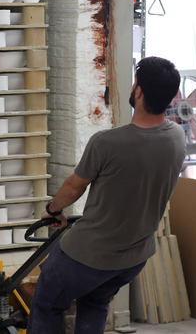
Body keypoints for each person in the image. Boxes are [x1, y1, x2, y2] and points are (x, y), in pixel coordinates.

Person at [27, 56, 186, 334]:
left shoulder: (107, 142)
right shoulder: (176, 136)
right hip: (133, 258)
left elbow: (73, 187)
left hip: (89, 254)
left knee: (47, 302)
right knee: (95, 301)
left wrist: (53, 211)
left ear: (138, 91)